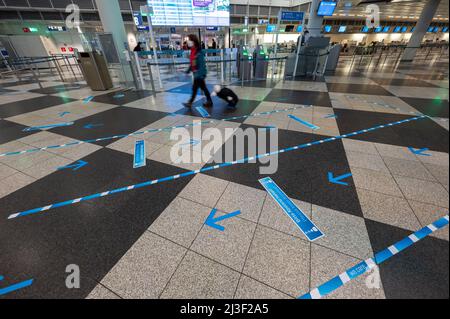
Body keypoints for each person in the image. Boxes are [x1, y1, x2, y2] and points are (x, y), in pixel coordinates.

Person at [183, 34, 213, 108]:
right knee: (203, 88)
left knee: (195, 88)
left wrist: (200, 75)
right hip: (196, 74)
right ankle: (209, 101)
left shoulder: (199, 52)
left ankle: (190, 102)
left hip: (199, 74)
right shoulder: (193, 51)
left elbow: (202, 65)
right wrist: (188, 71)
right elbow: (192, 63)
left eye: (189, 40)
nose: (188, 42)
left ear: (194, 41)